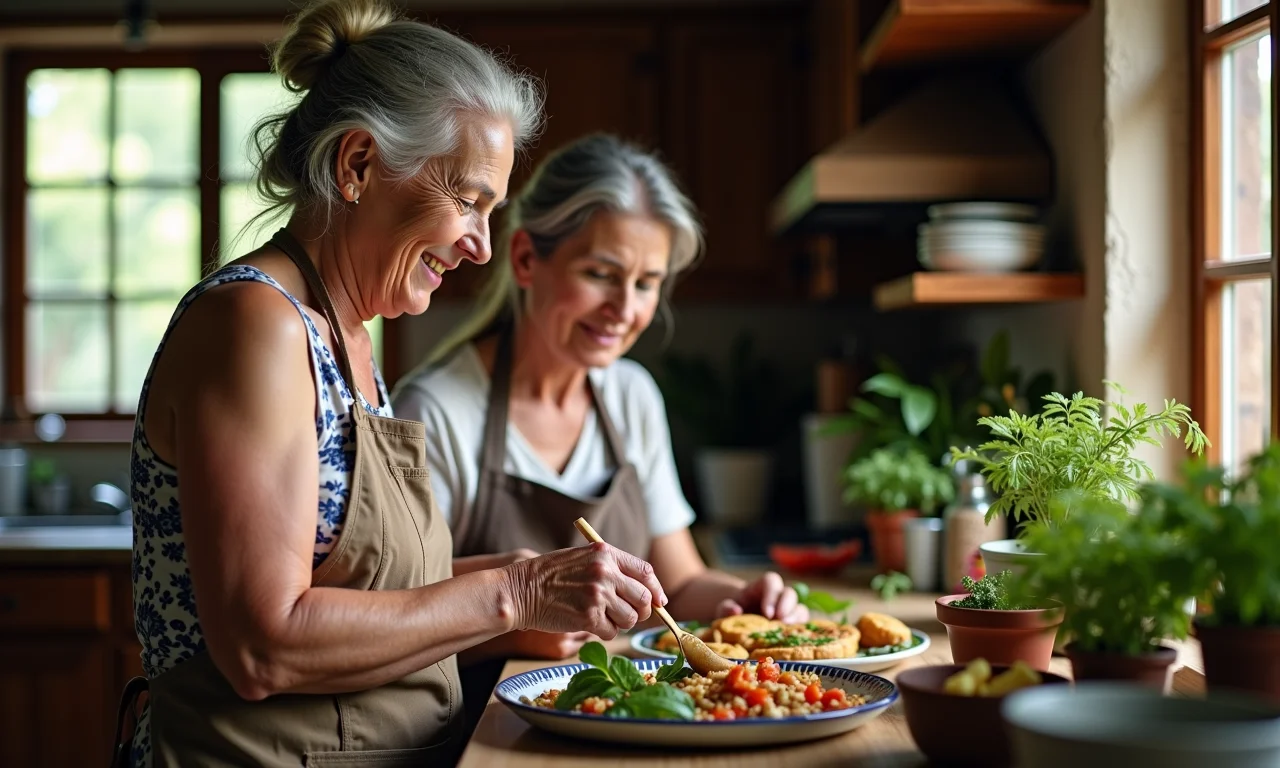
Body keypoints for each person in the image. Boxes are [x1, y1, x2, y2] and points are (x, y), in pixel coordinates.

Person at [119, 4, 669, 767]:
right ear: (358, 166)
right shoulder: (256, 324)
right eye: (469, 200)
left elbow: (374, 588)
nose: (480, 245)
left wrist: (537, 580)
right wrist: (515, 596)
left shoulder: (347, 335)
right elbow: (263, 644)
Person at [391, 134, 809, 723]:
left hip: (622, 719)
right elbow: (390, 620)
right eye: (600, 273)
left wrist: (740, 601)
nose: (625, 309)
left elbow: (680, 583)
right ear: (526, 260)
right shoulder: (435, 411)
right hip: (484, 733)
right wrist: (510, 630)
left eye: (646, 283)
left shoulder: (631, 394)